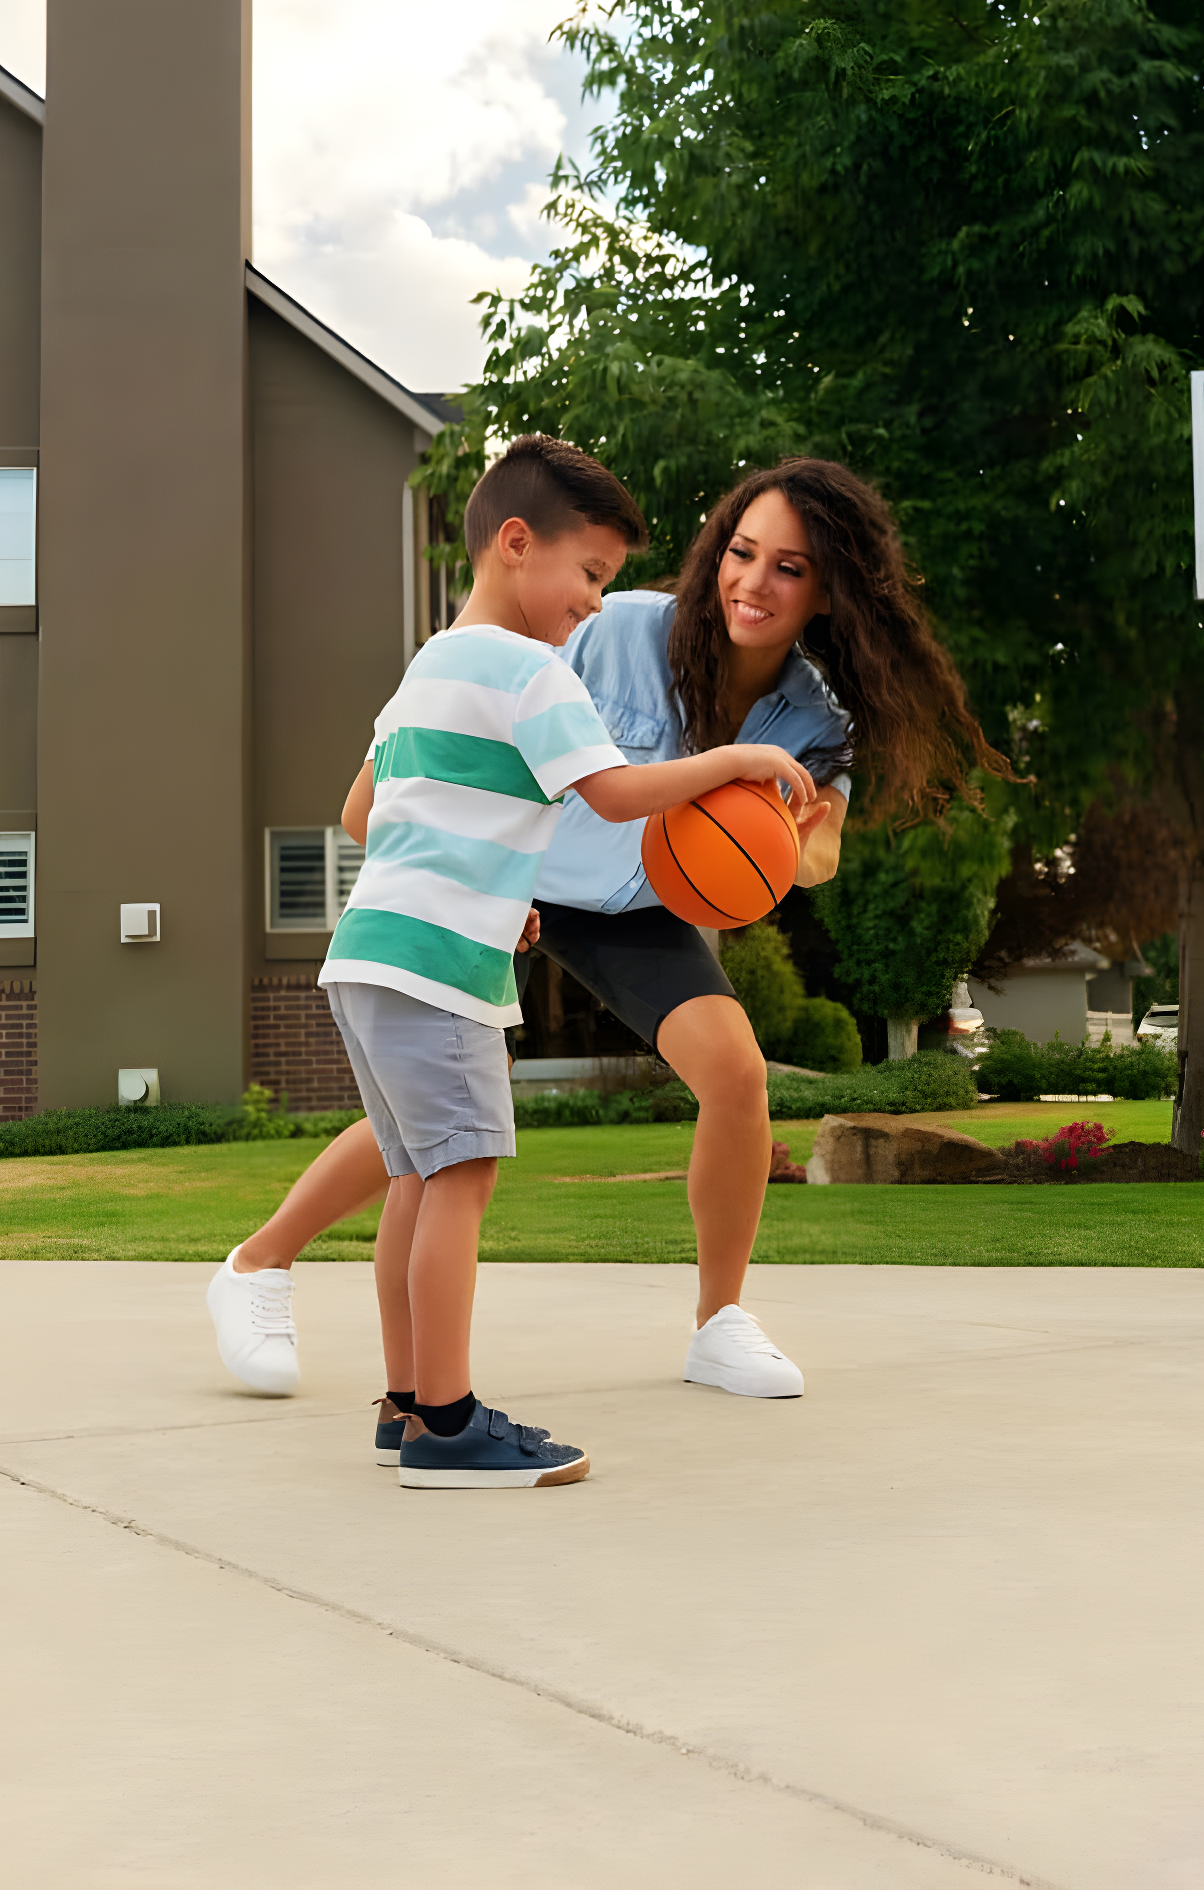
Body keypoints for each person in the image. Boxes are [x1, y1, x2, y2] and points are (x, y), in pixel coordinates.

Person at [207, 455, 1005, 1405]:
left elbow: (816, 851)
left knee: (737, 1072)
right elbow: (409, 773)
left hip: (639, 908)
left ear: (829, 590)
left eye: (789, 568)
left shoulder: (815, 716)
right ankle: (258, 1266)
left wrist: (775, 838)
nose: (753, 581)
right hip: (518, 873)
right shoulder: (612, 626)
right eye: (742, 552)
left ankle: (719, 1323)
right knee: (443, 1115)